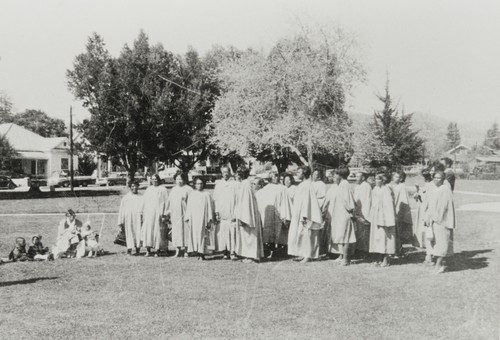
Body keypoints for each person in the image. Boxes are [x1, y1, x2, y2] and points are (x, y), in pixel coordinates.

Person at [288, 166, 323, 263]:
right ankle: (303, 254)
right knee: (301, 235)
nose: (297, 174)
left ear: (304, 173)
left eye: (299, 172)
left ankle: (308, 256)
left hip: (305, 214)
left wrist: (305, 215)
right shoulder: (303, 185)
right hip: (299, 213)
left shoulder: (307, 185)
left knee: (307, 235)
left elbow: (307, 201)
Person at [324, 168, 356, 265]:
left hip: (345, 214)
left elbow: (349, 202)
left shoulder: (345, 185)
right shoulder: (340, 185)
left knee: (346, 237)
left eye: (336, 175)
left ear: (340, 175)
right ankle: (342, 256)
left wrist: (350, 211)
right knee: (341, 235)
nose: (334, 177)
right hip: (339, 214)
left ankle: (346, 259)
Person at [256, 172, 292, 258]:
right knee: (269, 233)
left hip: (279, 215)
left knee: (280, 234)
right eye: (273, 176)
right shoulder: (264, 189)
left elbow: (285, 203)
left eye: (276, 176)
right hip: (268, 216)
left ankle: (281, 250)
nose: (275, 178)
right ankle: (268, 249)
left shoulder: (282, 189)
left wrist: (285, 216)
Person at [426, 170, 455, 273]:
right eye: (435, 177)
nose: (436, 180)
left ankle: (438, 266)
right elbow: (431, 205)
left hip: (442, 220)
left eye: (439, 178)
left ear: (443, 179)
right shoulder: (434, 189)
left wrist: (436, 217)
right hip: (434, 219)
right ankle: (442, 264)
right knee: (436, 242)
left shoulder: (445, 189)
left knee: (442, 242)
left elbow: (444, 207)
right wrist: (429, 217)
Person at [234, 166, 264, 263]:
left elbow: (245, 202)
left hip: (247, 214)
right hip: (250, 213)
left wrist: (244, 217)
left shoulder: (245, 184)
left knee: (249, 235)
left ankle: (251, 256)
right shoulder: (247, 183)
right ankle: (250, 255)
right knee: (249, 235)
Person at [369, 173, 396, 267]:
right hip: (376, 217)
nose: (376, 181)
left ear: (383, 180)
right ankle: (379, 257)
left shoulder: (386, 190)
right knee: (378, 238)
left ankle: (386, 259)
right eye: (375, 179)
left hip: (384, 218)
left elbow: (389, 206)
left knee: (386, 238)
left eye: (378, 179)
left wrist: (388, 220)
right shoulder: (375, 189)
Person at [185, 178, 215, 260]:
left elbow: (210, 207)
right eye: (197, 184)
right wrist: (188, 218)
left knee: (202, 236)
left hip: (203, 219)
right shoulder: (192, 194)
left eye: (201, 183)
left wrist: (209, 219)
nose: (199, 185)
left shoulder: (206, 194)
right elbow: (189, 207)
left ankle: (202, 254)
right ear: (194, 184)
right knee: (194, 236)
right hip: (194, 219)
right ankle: (197, 252)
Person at [213, 166, 239, 260]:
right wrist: (217, 212)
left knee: (232, 232)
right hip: (222, 212)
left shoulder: (235, 184)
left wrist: (236, 213)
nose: (226, 174)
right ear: (221, 173)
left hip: (232, 212)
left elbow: (238, 199)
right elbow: (216, 199)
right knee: (223, 233)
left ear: (230, 172)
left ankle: (233, 252)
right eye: (224, 172)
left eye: (227, 171)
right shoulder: (219, 184)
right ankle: (225, 251)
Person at [141, 174, 169, 257]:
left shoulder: (163, 189)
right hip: (149, 214)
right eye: (153, 179)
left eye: (156, 179)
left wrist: (164, 214)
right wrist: (142, 213)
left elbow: (166, 202)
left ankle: (157, 250)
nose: (154, 181)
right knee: (148, 231)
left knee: (158, 232)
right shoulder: (149, 189)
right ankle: (148, 250)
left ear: (158, 179)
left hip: (159, 214)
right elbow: (144, 202)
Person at [167, 171, 193, 257]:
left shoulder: (188, 189)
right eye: (177, 179)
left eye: (181, 179)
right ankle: (177, 251)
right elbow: (169, 202)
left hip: (185, 214)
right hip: (175, 214)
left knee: (186, 232)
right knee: (176, 232)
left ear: (184, 179)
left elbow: (191, 203)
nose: (179, 181)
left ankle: (186, 250)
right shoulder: (174, 190)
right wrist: (168, 213)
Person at [413, 170, 434, 263]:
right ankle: (428, 254)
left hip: (427, 212)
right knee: (424, 232)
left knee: (429, 233)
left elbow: (428, 200)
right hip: (422, 211)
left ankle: (430, 255)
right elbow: (418, 197)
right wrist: (417, 191)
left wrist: (420, 192)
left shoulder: (431, 186)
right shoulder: (424, 186)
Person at [117, 180, 143, 255]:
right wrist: (121, 221)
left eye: (135, 186)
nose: (134, 187)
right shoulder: (126, 198)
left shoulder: (141, 197)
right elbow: (122, 210)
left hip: (138, 218)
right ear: (130, 187)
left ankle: (138, 249)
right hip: (129, 218)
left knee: (138, 233)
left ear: (138, 186)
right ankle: (129, 249)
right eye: (132, 186)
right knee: (129, 233)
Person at [390, 170, 413, 256]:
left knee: (398, 233)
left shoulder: (401, 187)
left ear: (401, 178)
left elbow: (401, 201)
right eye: (394, 176)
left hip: (399, 213)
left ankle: (398, 251)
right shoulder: (395, 186)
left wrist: (399, 213)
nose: (395, 178)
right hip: (395, 211)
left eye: (397, 177)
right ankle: (397, 250)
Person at [353, 171, 372, 255]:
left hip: (363, 213)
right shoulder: (357, 186)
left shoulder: (366, 187)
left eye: (358, 177)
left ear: (363, 178)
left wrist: (364, 215)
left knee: (364, 233)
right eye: (356, 177)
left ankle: (365, 251)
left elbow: (367, 201)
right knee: (358, 232)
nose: (356, 178)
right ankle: (359, 249)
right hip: (357, 212)